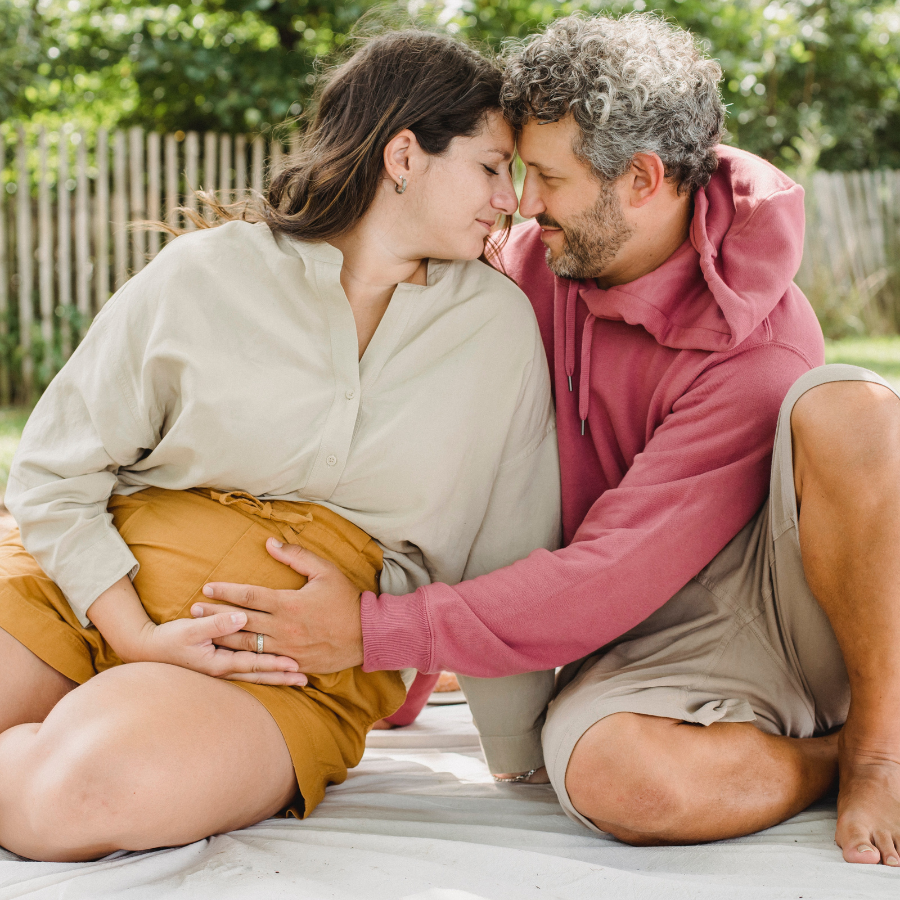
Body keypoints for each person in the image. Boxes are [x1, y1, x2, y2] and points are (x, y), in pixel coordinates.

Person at [198, 13, 900, 865]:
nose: (522, 202)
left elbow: (615, 570)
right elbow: (449, 443)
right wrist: (402, 663)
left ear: (641, 179)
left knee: (855, 408)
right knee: (621, 782)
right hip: (631, 631)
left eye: (549, 178)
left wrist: (377, 630)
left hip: (776, 601)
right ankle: (817, 759)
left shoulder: (756, 338)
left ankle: (875, 746)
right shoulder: (530, 268)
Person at [0, 30, 561, 862]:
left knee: (77, 798)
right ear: (404, 154)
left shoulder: (497, 330)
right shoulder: (204, 275)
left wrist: (519, 757)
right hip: (84, 590)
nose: (510, 199)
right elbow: (53, 470)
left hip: (283, 660)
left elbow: (511, 545)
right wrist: (132, 634)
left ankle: (78, 733)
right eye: (490, 167)